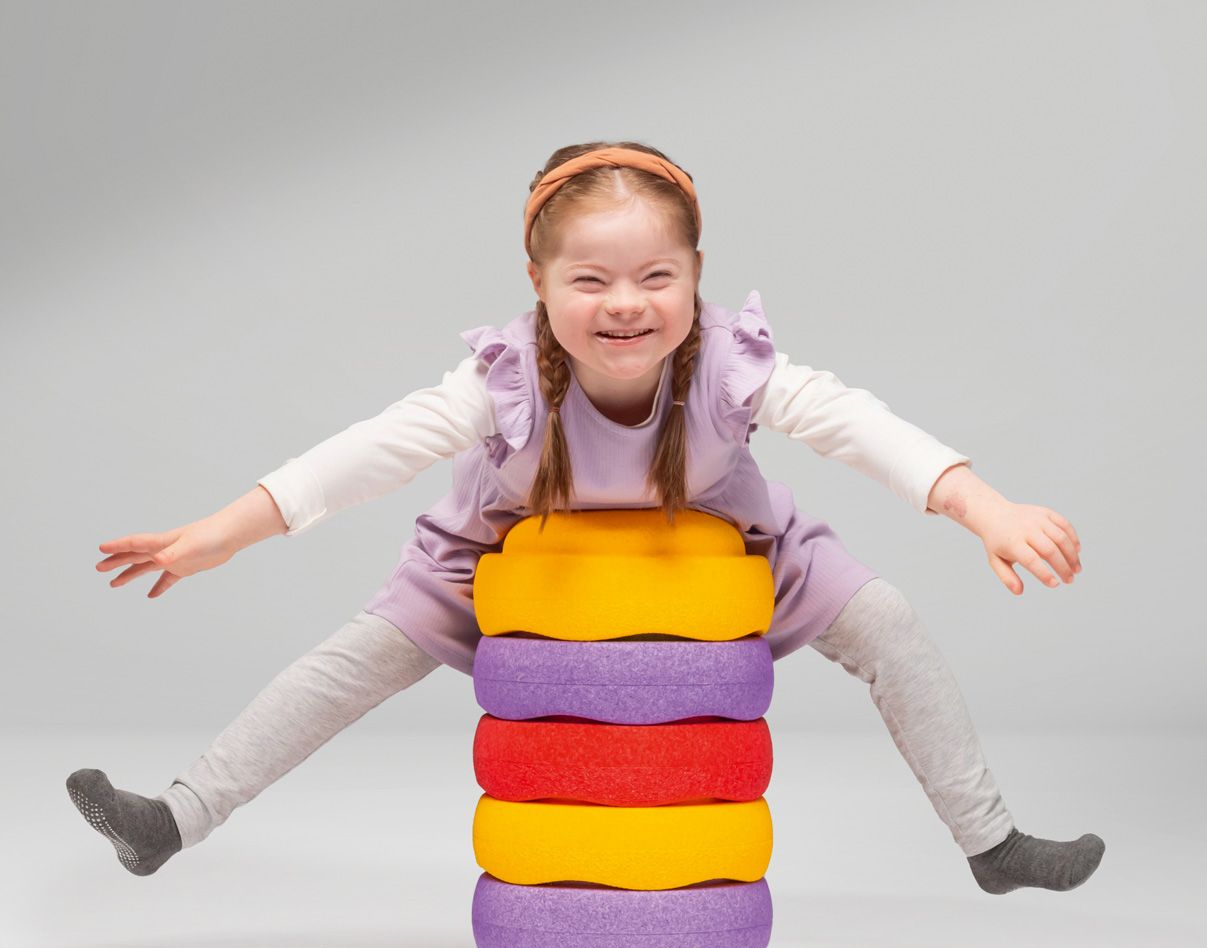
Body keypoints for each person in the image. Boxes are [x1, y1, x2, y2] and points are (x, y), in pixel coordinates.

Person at [66, 141, 1104, 894]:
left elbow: (855, 425)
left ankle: (990, 842)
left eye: (657, 276)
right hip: (493, 562)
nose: (625, 303)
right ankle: (174, 817)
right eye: (589, 279)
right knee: (344, 667)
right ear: (537, 285)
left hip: (741, 552)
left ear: (696, 280)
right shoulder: (507, 378)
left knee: (889, 625)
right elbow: (371, 450)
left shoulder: (729, 365)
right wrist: (220, 530)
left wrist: (983, 506)